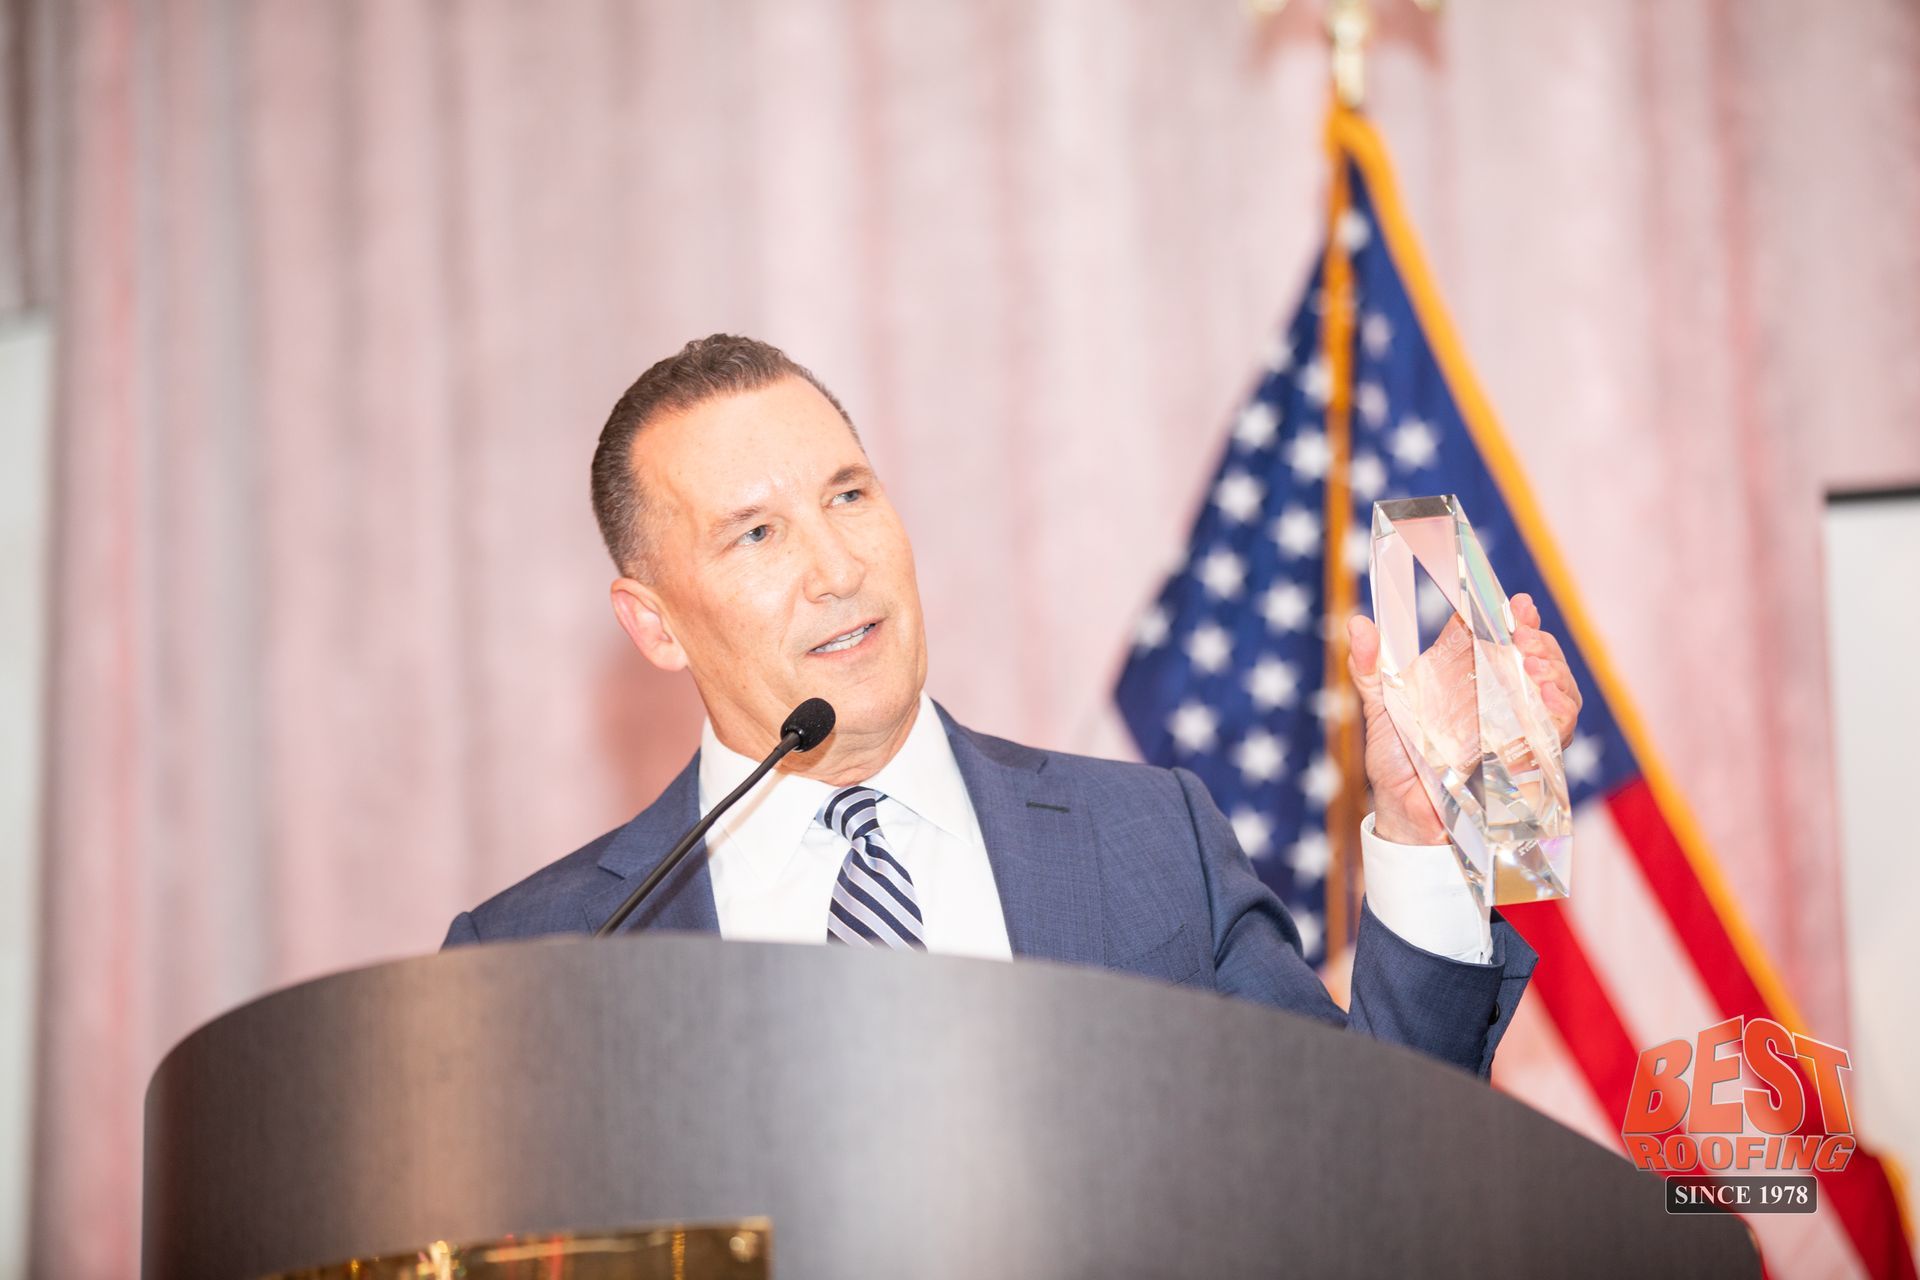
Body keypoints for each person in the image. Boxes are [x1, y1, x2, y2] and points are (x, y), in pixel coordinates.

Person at [443, 335, 1582, 1078]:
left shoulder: (1152, 840)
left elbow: (1365, 1171)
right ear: (653, 624)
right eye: (756, 534)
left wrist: (1424, 834)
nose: (838, 567)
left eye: (850, 495)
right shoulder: (535, 958)